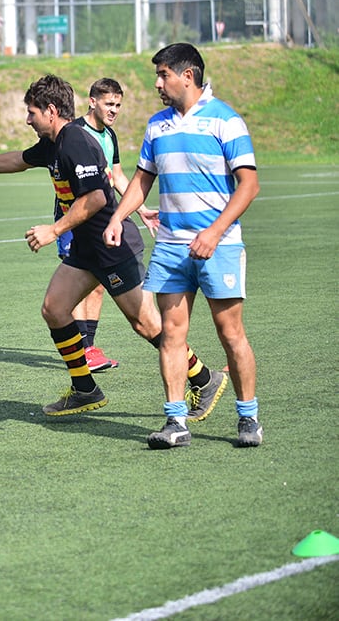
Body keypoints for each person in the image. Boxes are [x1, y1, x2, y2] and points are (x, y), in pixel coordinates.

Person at [0, 75, 224, 420]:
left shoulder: (75, 141)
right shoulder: (53, 141)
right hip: (87, 249)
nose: (28, 120)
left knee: (148, 326)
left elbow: (95, 198)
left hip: (113, 245)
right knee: (54, 308)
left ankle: (204, 379)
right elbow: (18, 159)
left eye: (31, 113)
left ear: (50, 111)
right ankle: (85, 388)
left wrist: (54, 229)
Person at [106, 44, 262, 449]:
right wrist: (117, 217)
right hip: (172, 247)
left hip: (220, 245)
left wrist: (213, 233)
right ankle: (176, 422)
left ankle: (249, 418)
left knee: (231, 334)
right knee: (172, 334)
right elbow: (142, 181)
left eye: (163, 75)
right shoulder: (157, 126)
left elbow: (249, 184)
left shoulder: (226, 121)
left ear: (187, 75)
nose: (158, 83)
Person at [52, 78, 159, 373]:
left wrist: (142, 209)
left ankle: (89, 347)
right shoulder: (73, 134)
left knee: (96, 284)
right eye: (109, 104)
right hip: (76, 219)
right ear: (92, 101)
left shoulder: (109, 135)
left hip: (103, 221)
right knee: (75, 281)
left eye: (118, 105)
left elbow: (118, 177)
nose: (114, 110)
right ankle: (83, 348)